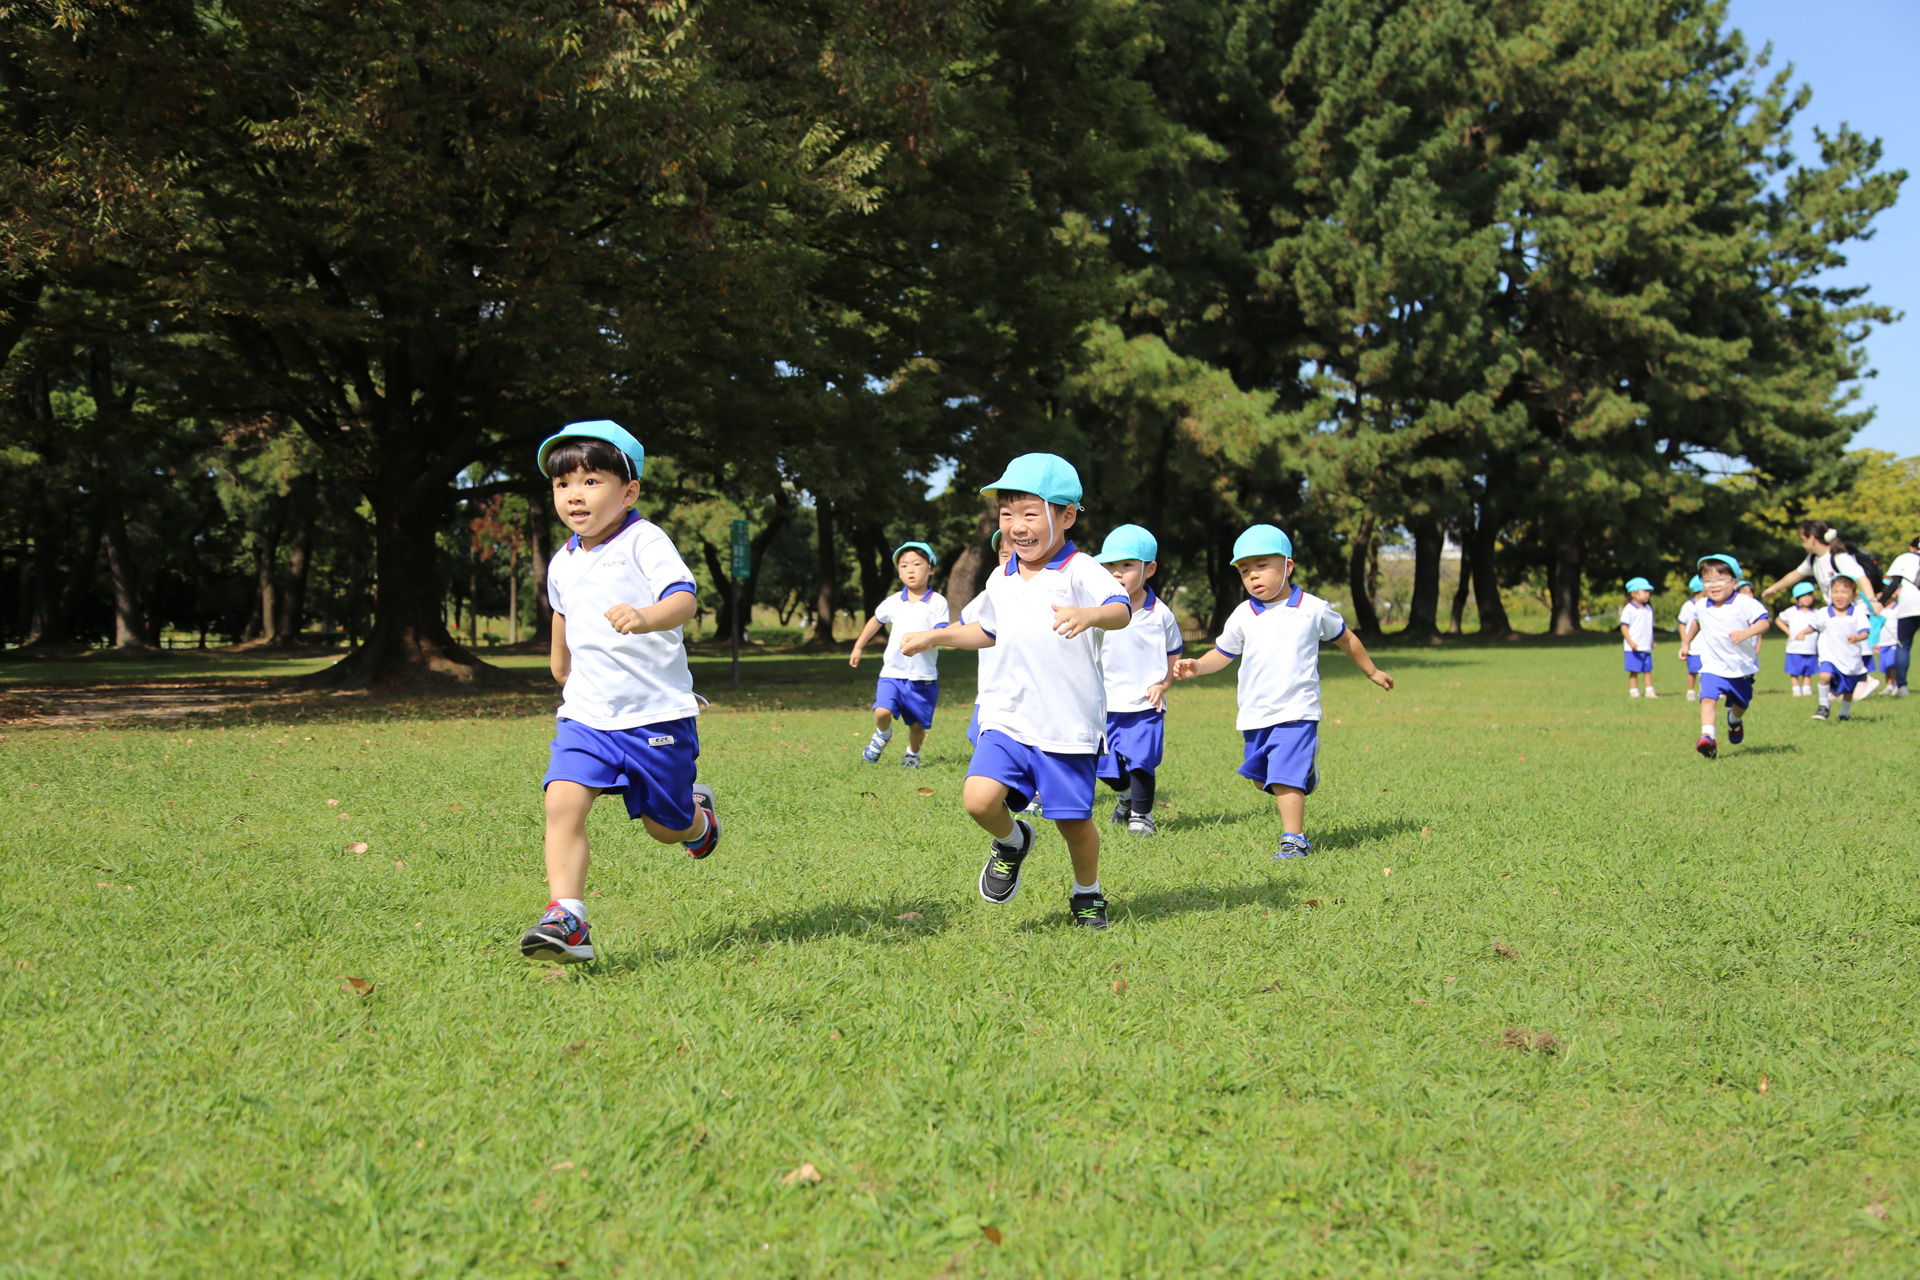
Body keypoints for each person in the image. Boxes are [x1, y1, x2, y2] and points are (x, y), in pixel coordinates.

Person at [899, 454, 1134, 928]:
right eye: (1008, 515)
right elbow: (986, 631)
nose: (1016, 526)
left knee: (1073, 824)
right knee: (978, 799)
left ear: (1065, 516)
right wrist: (936, 636)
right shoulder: (1000, 577)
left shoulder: (1080, 569)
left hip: (1066, 725)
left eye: (1031, 513)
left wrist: (1089, 614)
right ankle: (1012, 840)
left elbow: (1120, 607)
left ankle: (1087, 892)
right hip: (1007, 715)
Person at [521, 420, 717, 964]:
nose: (574, 495)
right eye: (563, 485)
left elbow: (684, 599)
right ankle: (567, 917)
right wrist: (559, 662)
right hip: (586, 714)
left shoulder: (644, 540)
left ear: (628, 491)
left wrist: (646, 615)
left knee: (665, 827)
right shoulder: (563, 559)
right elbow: (563, 610)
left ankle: (698, 819)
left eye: (590, 481)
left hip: (655, 715)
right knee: (561, 802)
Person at [1172, 524, 1394, 859]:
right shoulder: (1243, 614)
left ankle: (1294, 839)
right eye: (1245, 571)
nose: (1253, 577)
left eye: (1262, 566)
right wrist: (1199, 666)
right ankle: (1308, 771)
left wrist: (1372, 671)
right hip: (1254, 713)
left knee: (1286, 779)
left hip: (1297, 710)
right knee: (1263, 780)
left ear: (1288, 566)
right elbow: (1224, 653)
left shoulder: (1312, 608)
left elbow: (1345, 637)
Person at [1091, 524, 1183, 837]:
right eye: (1109, 567)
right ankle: (1126, 796)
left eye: (1127, 566)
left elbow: (1174, 654)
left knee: (1142, 762)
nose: (1117, 574)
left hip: (1146, 704)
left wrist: (1164, 684)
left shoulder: (1161, 615)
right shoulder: (1099, 611)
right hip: (1104, 703)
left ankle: (1141, 817)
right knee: (1105, 767)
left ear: (1150, 569)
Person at [849, 541, 949, 768]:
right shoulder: (893, 601)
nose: (910, 570)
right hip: (893, 672)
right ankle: (883, 734)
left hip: (923, 677)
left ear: (931, 569)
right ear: (898, 572)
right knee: (882, 710)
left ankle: (913, 753)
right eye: (904, 566)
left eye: (917, 564)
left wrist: (928, 638)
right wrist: (858, 646)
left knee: (917, 726)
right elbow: (875, 621)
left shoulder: (937, 602)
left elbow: (942, 631)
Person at [1761, 521, 1879, 699]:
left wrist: (1873, 600)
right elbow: (1796, 574)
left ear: (1813, 538)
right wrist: (1774, 588)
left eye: (1803, 539)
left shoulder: (1839, 557)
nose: (1802, 544)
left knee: (1848, 646)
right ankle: (1840, 687)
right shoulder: (1813, 559)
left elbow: (1861, 577)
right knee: (1832, 646)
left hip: (1854, 609)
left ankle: (1863, 679)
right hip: (1834, 610)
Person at [1679, 554, 1770, 760]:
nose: (1714, 585)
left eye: (1721, 579)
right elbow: (1696, 622)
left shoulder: (1745, 603)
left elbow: (1764, 622)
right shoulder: (1701, 605)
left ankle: (1734, 719)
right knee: (1708, 697)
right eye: (1708, 580)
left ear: (1735, 582)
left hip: (1741, 667)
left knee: (1741, 704)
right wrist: (1686, 642)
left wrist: (1746, 633)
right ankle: (1708, 737)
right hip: (1712, 665)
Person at [1795, 573, 1871, 722]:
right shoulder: (1824, 613)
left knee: (1848, 690)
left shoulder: (1857, 613)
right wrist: (1803, 632)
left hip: (1850, 659)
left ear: (1854, 594)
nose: (1839, 596)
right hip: (1829, 656)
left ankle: (1845, 713)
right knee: (1825, 676)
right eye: (1835, 592)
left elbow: (1865, 632)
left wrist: (1856, 638)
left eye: (1844, 592)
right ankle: (1824, 706)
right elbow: (1814, 626)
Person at [1883, 534, 1919, 696]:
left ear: (1912, 548)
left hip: (1908, 607)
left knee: (1903, 645)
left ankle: (1902, 686)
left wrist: (1880, 601)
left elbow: (1893, 584)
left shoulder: (1904, 558)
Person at [1774, 582, 1820, 697]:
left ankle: (1807, 687)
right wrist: (1789, 632)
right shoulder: (1791, 612)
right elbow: (1778, 620)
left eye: (1810, 595)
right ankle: (1796, 688)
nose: (1807, 598)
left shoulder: (1816, 613)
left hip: (1810, 647)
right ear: (1798, 598)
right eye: (1804, 596)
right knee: (1794, 670)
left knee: (1808, 670)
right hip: (1794, 647)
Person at [1619, 577, 1657, 697]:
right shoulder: (1629, 609)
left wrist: (1652, 640)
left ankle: (1649, 690)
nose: (1647, 595)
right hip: (1633, 647)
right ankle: (1634, 691)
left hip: (1646, 645)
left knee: (1647, 669)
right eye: (1644, 591)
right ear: (1634, 593)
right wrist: (1631, 641)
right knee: (1634, 670)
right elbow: (1624, 627)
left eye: (1648, 592)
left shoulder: (1648, 609)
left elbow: (1649, 627)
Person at [1676, 574, 1706, 700]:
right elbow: (1682, 623)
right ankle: (1691, 692)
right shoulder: (1688, 606)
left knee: (1706, 671)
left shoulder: (1708, 605)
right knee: (1693, 670)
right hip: (1693, 646)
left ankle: (1705, 691)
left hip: (1707, 646)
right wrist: (1685, 641)